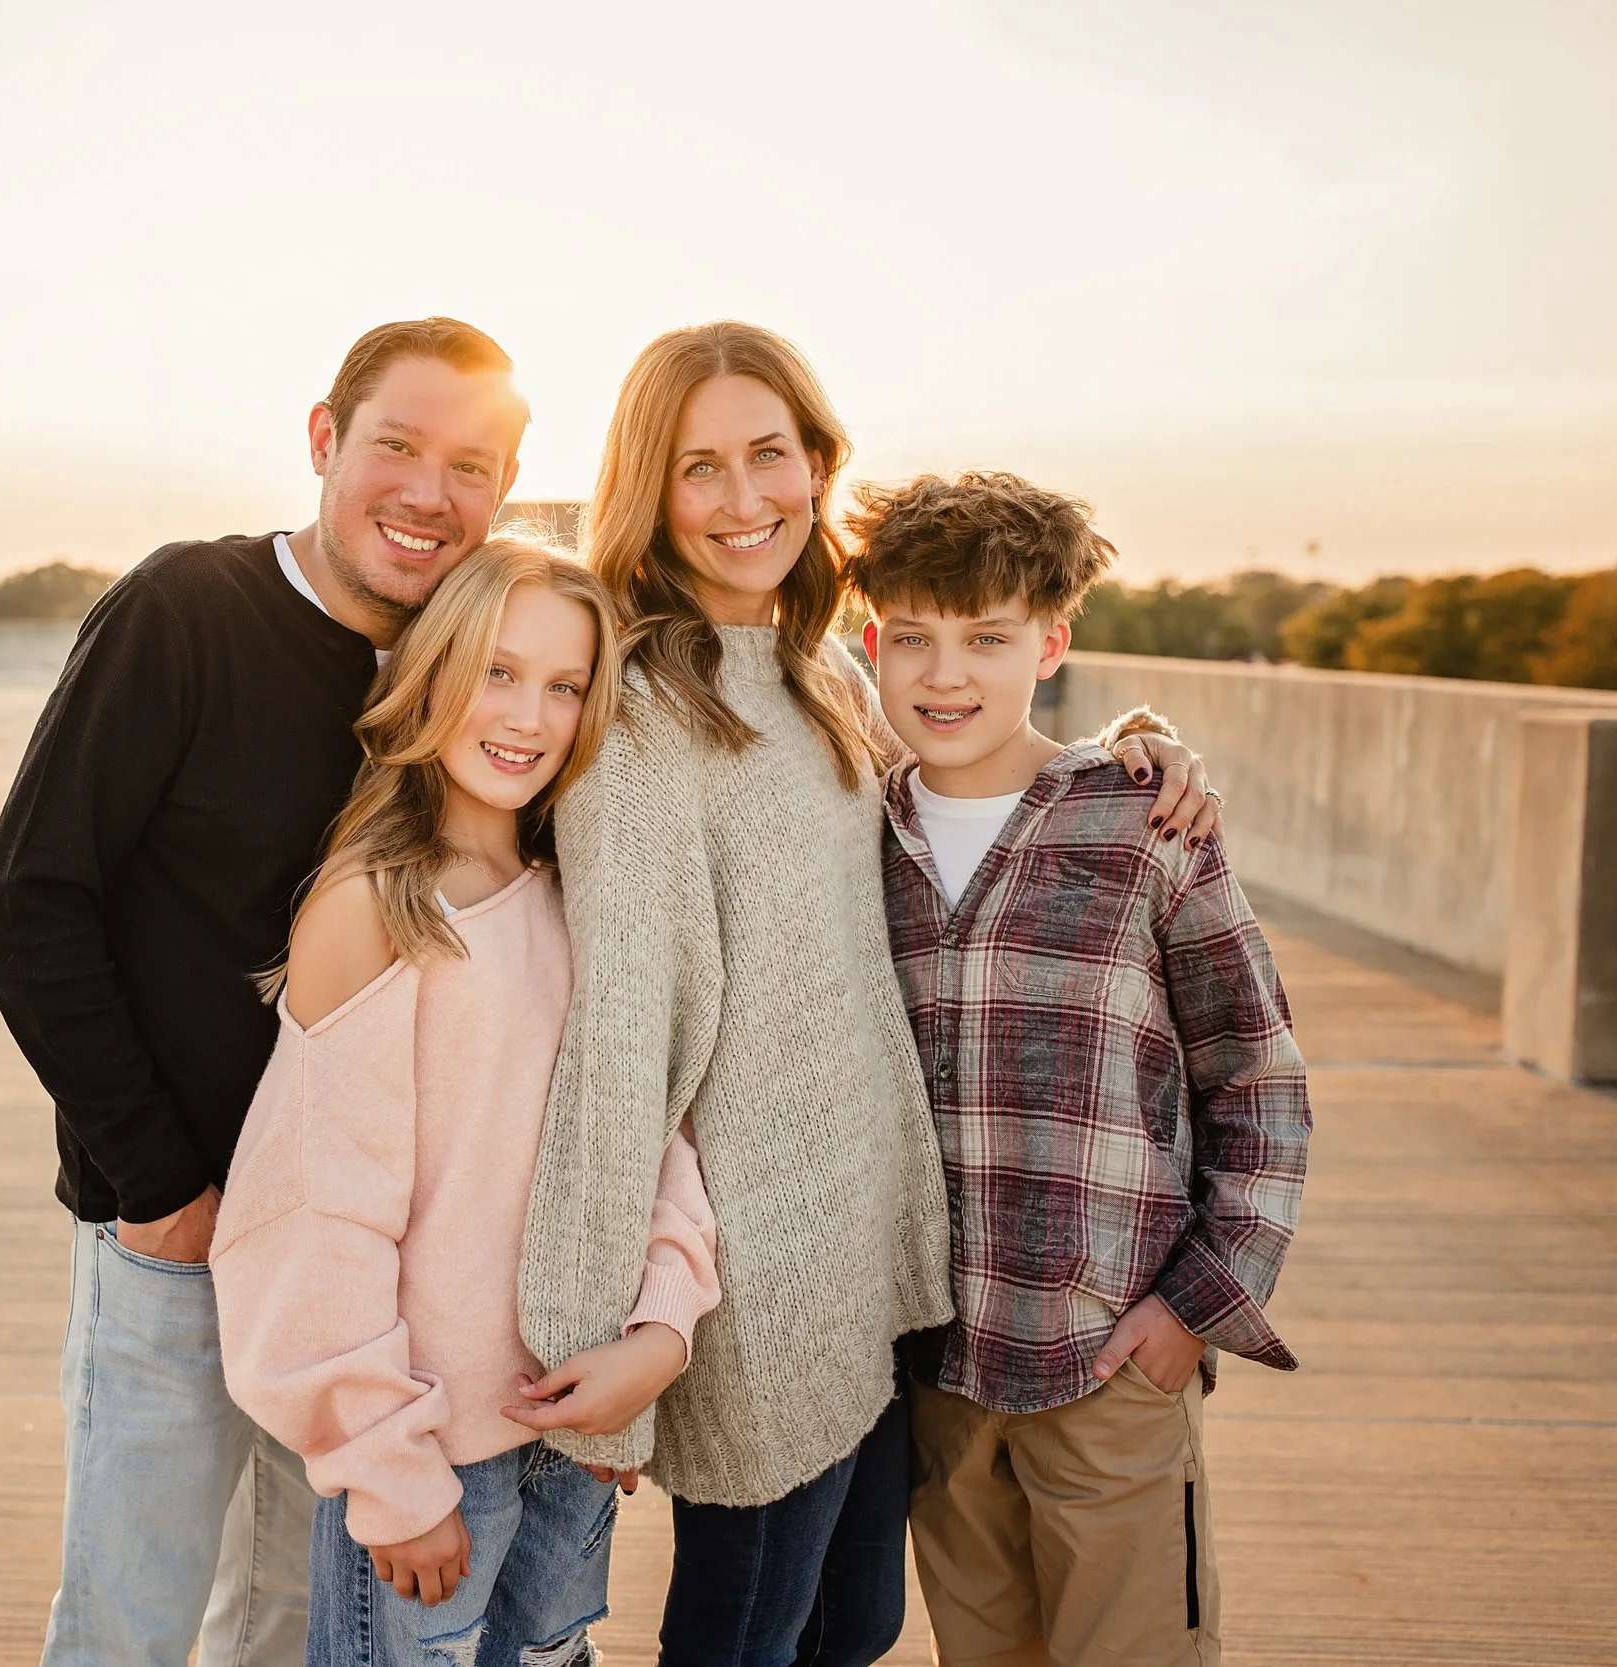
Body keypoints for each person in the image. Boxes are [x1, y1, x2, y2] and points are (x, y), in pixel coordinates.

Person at [512, 321, 1224, 1667]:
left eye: (768, 455)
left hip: (882, 1265)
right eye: (698, 466)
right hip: (758, 1290)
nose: (743, 500)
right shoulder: (645, 711)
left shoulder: (822, 672)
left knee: (861, 1623)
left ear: (817, 460)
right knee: (749, 1636)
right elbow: (622, 1038)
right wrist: (594, 1336)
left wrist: (1134, 742)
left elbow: (979, 760)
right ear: (648, 491)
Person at [0, 318, 532, 1666]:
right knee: (131, 1617)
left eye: (471, 464)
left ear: (504, 490)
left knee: (285, 1623)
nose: (427, 491)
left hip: (356, 1272)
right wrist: (157, 1181)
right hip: (178, 1232)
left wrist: (1129, 758)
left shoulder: (468, 667)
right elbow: (32, 898)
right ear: (325, 439)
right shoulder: (189, 609)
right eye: (396, 444)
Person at [213, 538, 721, 1666]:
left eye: (564, 683)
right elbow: (315, 1220)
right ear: (432, 671)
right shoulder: (376, 907)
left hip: (575, 1428)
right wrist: (391, 1472)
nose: (528, 713)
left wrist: (659, 1332)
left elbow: (650, 1130)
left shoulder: (576, 895)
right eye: (497, 670)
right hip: (436, 1451)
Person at [842, 471, 1310, 1667]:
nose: (947, 675)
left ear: (1050, 642)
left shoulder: (1144, 824)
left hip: (1105, 1350)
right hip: (935, 1369)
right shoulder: (850, 833)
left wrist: (1193, 1306)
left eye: (987, 638)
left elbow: (1257, 1079)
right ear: (869, 642)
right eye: (915, 638)